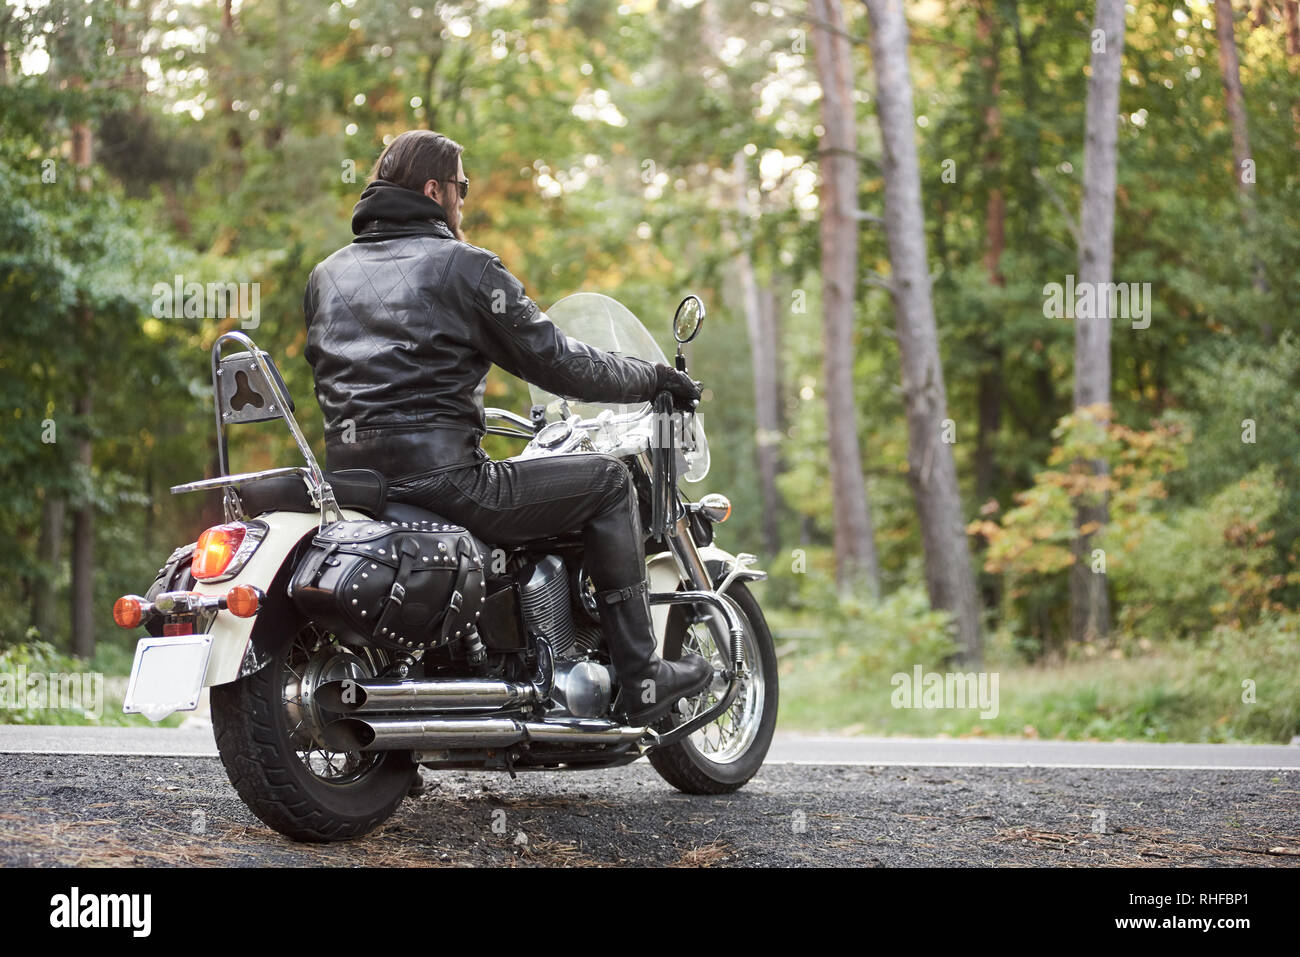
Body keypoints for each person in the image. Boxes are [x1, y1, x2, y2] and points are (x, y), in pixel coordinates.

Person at [302, 130, 712, 726]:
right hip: (444, 481)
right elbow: (559, 361)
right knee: (606, 485)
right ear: (434, 189)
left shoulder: (326, 276)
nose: (464, 203)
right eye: (462, 189)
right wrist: (653, 379)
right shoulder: (463, 267)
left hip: (353, 483)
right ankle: (641, 673)